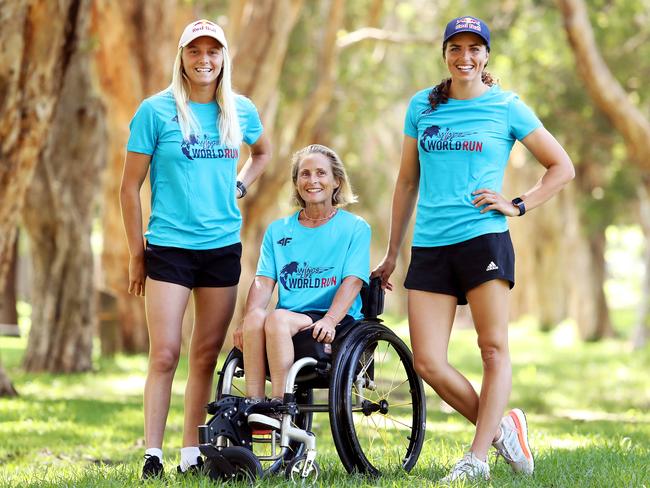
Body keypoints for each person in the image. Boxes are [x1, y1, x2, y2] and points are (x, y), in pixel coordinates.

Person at [373, 16, 575, 483]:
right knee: (427, 361)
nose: (465, 57)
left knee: (492, 348)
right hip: (429, 244)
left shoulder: (506, 106)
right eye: (456, 47)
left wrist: (518, 204)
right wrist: (390, 252)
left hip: (483, 239)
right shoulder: (422, 106)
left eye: (474, 48)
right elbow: (406, 182)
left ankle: (477, 459)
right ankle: (505, 427)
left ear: (486, 55)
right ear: (444, 52)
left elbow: (560, 166)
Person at [120, 19, 271, 479]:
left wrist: (239, 186)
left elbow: (262, 152)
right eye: (195, 51)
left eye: (213, 51)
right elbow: (129, 188)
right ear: (182, 57)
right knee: (165, 353)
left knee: (205, 354)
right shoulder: (155, 111)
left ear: (224, 58)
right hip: (168, 248)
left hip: (221, 248)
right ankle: (152, 454)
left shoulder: (239, 110)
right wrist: (135, 252)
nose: (204, 60)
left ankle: (190, 454)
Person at [232, 144, 370, 423]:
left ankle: (281, 407)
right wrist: (248, 321)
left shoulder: (354, 228)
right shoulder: (278, 230)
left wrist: (330, 320)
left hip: (335, 320)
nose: (313, 180)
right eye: (304, 174)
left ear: (336, 182)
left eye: (321, 173)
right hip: (293, 317)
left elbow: (354, 280)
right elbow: (262, 282)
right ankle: (255, 408)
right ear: (296, 183)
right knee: (260, 318)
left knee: (278, 319)